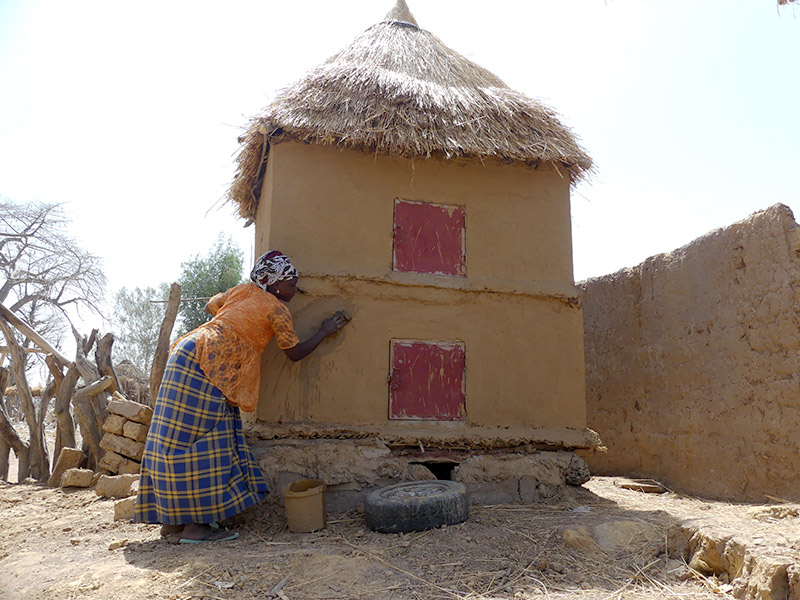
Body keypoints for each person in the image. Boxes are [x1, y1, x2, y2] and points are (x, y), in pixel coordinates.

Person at [134, 250, 348, 543]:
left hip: (186, 352)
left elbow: (213, 304)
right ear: (273, 285)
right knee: (210, 440)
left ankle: (173, 523)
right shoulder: (277, 310)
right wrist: (325, 330)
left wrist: (236, 304)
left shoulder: (242, 291)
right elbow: (295, 354)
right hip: (209, 365)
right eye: (291, 283)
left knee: (173, 439)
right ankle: (196, 528)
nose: (295, 289)